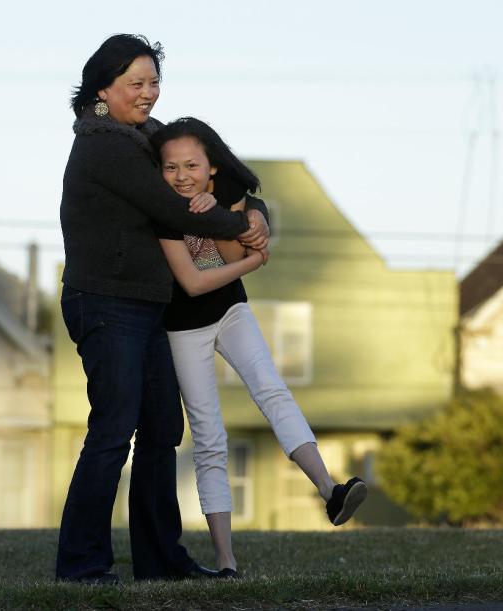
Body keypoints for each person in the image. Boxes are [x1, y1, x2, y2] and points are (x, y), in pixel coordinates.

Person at [57, 35, 271, 585]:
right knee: (113, 430)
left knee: (161, 429)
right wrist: (244, 230)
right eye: (137, 83)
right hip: (104, 303)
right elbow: (174, 208)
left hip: (147, 304)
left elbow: (223, 173)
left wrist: (259, 210)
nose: (149, 93)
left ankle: (159, 561)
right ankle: (81, 566)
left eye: (154, 82)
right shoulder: (105, 147)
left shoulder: (149, 139)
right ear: (103, 88)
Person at [150, 117, 368, 578]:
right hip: (184, 327)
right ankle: (227, 562)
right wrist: (251, 259)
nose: (181, 175)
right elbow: (191, 283)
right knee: (209, 436)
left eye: (192, 165)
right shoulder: (160, 210)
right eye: (170, 167)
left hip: (230, 312)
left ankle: (330, 490)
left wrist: (240, 217)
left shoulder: (228, 189)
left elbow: (252, 212)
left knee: (271, 389)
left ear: (212, 168)